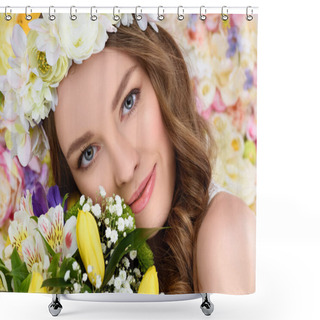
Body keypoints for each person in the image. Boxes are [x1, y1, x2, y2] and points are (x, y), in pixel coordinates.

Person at [43, 20, 255, 294]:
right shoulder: (101, 277)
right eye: (88, 153)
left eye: (128, 103)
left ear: (161, 81)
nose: (125, 169)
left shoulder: (224, 231)